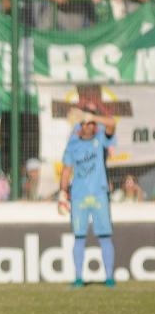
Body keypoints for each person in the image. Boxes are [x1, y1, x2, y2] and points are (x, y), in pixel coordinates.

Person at [59, 110, 116, 288]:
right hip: (78, 196)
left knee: (105, 236)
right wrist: (62, 192)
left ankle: (109, 278)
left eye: (92, 123)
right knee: (79, 237)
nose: (90, 126)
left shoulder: (100, 140)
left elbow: (112, 124)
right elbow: (66, 170)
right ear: (80, 126)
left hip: (99, 194)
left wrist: (92, 116)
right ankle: (78, 278)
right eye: (86, 123)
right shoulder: (73, 145)